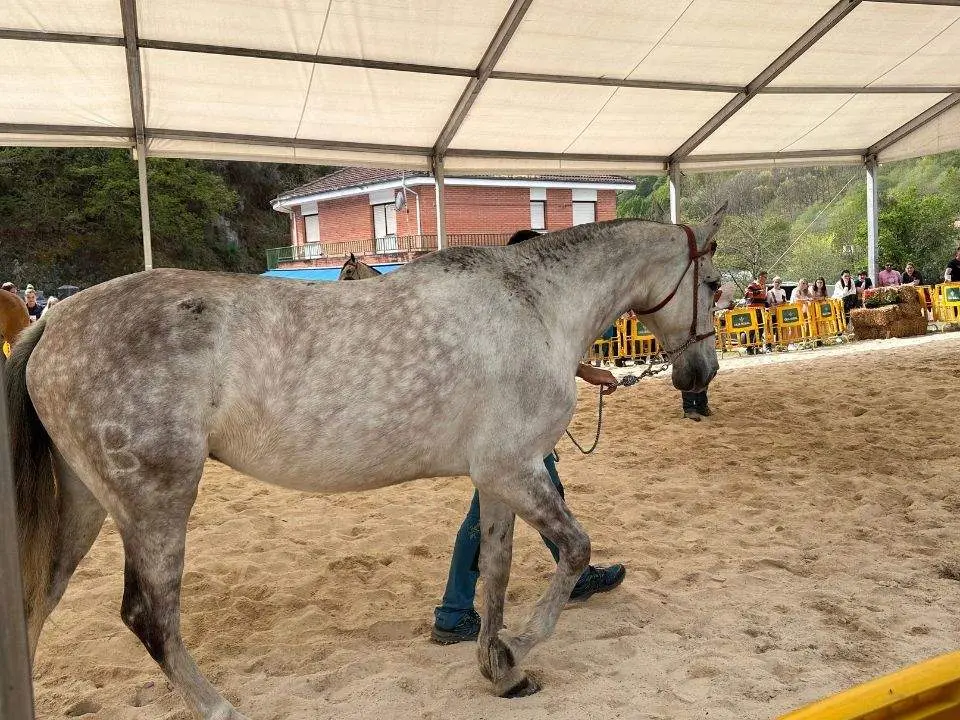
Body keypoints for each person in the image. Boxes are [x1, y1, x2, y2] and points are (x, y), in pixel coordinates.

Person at [431, 229, 627, 645]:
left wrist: (587, 372)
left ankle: (573, 576)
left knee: (546, 495)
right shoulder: (506, 304)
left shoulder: (509, 301)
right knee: (490, 514)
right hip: (510, 428)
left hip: (514, 425)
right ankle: (452, 612)